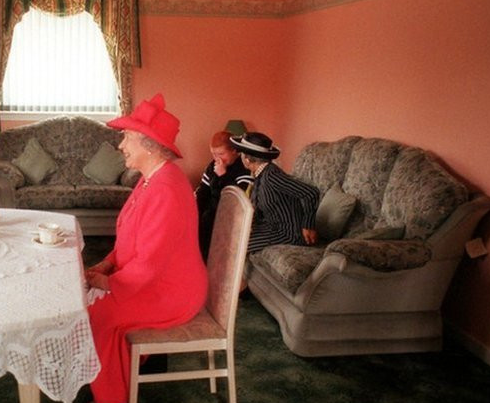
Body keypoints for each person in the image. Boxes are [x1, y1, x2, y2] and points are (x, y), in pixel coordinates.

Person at [85, 94, 208, 403]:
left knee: (93, 315)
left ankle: (112, 395)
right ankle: (115, 376)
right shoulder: (150, 180)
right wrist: (106, 265)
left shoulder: (166, 189)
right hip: (149, 281)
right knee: (88, 303)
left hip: (171, 293)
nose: (121, 145)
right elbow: (130, 241)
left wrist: (107, 282)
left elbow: (149, 264)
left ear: (149, 143)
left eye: (127, 137)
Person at [230, 131, 319, 253]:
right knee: (233, 237)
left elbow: (310, 193)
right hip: (271, 227)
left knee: (236, 247)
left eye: (242, 154)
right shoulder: (259, 175)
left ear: (247, 159)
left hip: (288, 232)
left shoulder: (271, 175)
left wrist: (308, 225)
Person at [195, 130, 253, 259]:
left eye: (221, 153)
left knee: (208, 221)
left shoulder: (244, 168)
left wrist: (223, 175)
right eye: (213, 154)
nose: (217, 158)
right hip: (210, 210)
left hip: (229, 213)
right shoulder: (212, 166)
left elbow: (238, 199)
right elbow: (203, 192)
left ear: (234, 151)